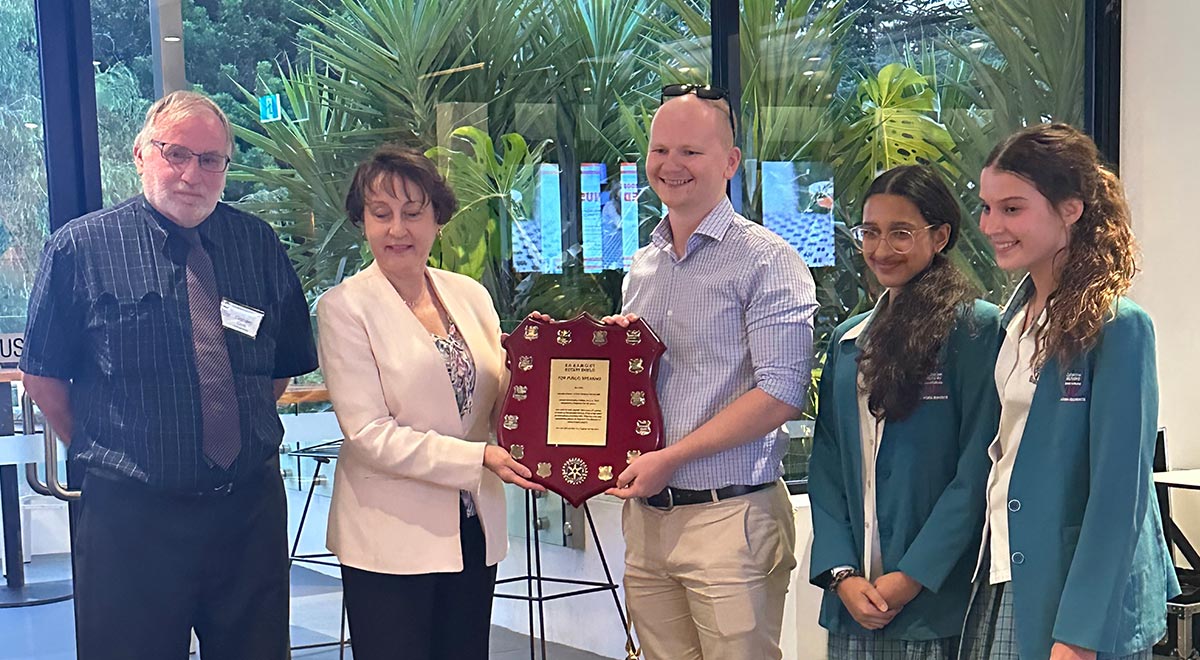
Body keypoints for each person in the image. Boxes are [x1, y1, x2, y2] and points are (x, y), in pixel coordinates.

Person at [19, 90, 318, 660]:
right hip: (132, 518)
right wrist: (113, 450)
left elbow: (277, 371)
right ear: (140, 154)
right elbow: (44, 378)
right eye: (176, 153)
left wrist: (225, 434)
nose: (191, 174)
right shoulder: (80, 248)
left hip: (247, 513)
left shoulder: (257, 245)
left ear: (225, 167)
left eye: (210, 160)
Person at [603, 84, 817, 660]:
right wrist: (591, 352)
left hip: (732, 518)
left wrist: (668, 460)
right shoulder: (642, 266)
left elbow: (780, 393)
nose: (671, 165)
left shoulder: (768, 259)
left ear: (729, 162)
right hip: (648, 520)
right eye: (659, 150)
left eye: (691, 152)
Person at [960, 123, 1178, 660]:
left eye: (1013, 209)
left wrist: (1079, 634)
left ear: (1071, 209)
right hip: (1007, 572)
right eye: (987, 208)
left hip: (1077, 599)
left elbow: (1118, 497)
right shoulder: (1010, 323)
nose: (992, 225)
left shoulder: (1119, 328)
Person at [316, 144, 542, 660]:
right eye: (381, 214)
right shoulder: (344, 308)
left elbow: (505, 394)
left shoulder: (470, 295)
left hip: (471, 528)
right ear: (362, 222)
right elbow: (370, 434)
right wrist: (479, 456)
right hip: (388, 539)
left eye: (413, 213)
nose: (398, 229)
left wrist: (579, 372)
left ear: (437, 218)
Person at [807, 164, 1001, 658]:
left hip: (933, 599)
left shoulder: (974, 330)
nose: (880, 249)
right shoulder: (851, 340)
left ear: (939, 237)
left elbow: (979, 464)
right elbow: (827, 465)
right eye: (869, 232)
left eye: (900, 233)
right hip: (853, 601)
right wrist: (841, 574)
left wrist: (913, 576)